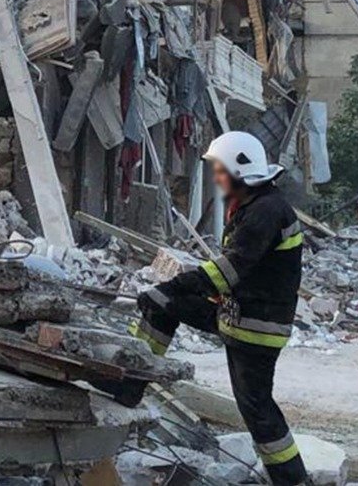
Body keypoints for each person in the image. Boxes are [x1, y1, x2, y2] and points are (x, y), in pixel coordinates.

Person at [131, 131, 308, 486]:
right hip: (236, 314)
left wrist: (178, 284)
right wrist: (172, 291)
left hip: (256, 327)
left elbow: (228, 270)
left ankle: (292, 479)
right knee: (161, 303)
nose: (215, 177)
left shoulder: (265, 212)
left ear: (239, 170)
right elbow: (246, 272)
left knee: (257, 409)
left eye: (219, 169)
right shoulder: (254, 205)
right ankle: (131, 378)